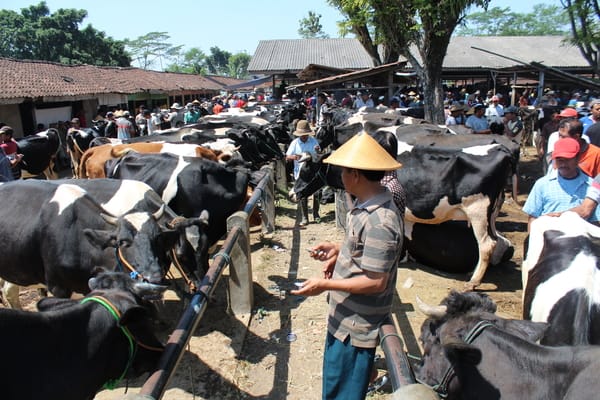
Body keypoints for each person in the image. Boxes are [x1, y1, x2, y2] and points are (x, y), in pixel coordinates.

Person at [290, 132, 403, 400]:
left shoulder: (381, 221)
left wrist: (324, 285)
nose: (340, 177)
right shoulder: (366, 205)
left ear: (355, 175)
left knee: (343, 393)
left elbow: (376, 282)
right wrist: (339, 250)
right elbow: (363, 249)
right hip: (345, 319)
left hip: (356, 326)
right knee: (334, 386)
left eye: (342, 171)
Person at [523, 137, 600, 231]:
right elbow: (533, 219)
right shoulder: (542, 185)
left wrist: (557, 218)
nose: (563, 164)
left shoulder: (592, 186)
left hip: (581, 242)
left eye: (567, 160)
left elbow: (595, 222)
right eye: (559, 160)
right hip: (548, 243)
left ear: (578, 158)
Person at [285, 120, 322, 226]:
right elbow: (287, 156)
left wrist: (318, 152)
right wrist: (296, 157)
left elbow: (319, 155)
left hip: (312, 171)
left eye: (305, 135)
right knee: (302, 194)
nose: (304, 137)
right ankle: (305, 217)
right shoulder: (295, 143)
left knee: (317, 193)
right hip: (300, 172)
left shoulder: (313, 141)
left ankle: (316, 214)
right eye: (302, 135)